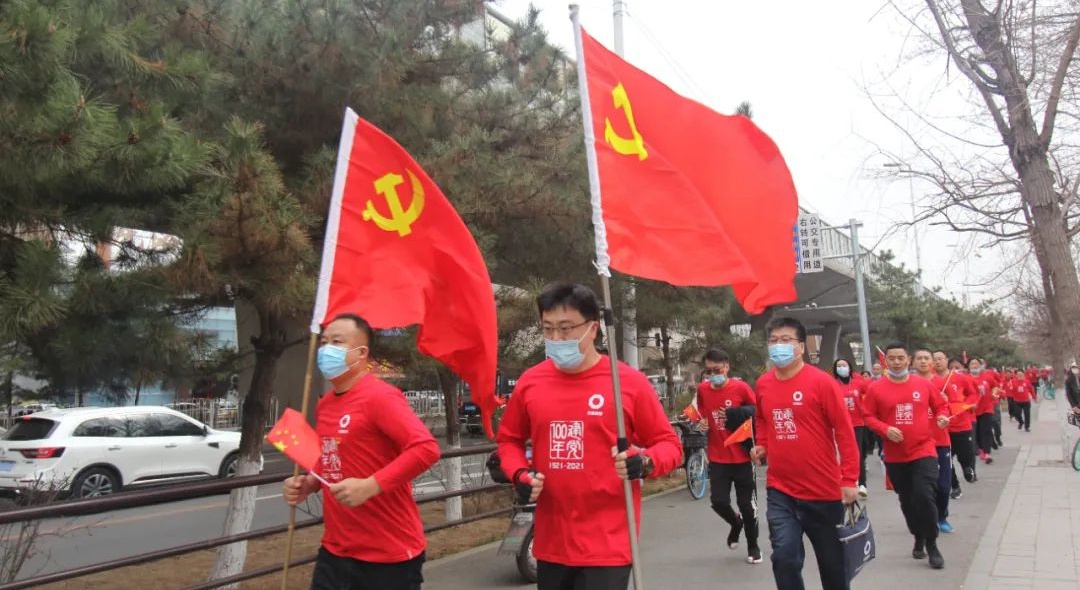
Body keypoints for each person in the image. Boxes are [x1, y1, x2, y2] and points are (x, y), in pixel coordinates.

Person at [496, 282, 682, 590]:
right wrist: (519, 474)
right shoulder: (531, 382)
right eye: (548, 329)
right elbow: (509, 440)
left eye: (566, 329)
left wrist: (645, 462)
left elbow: (670, 445)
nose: (556, 339)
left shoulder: (626, 383)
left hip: (608, 544)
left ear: (593, 328)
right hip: (552, 542)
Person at [282, 313, 442, 590]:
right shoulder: (325, 404)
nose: (326, 349)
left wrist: (370, 485)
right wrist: (310, 482)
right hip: (335, 550)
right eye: (323, 342)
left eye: (337, 342)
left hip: (388, 556)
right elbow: (331, 455)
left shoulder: (380, 397)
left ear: (361, 353)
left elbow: (426, 448)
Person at [751, 317, 859, 590]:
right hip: (781, 490)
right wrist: (763, 444)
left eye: (786, 340)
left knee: (833, 567)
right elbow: (762, 417)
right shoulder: (763, 384)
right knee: (784, 558)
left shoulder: (821, 382)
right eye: (773, 341)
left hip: (823, 491)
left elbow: (844, 431)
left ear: (801, 347)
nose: (778, 346)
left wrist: (849, 478)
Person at [863, 343, 949, 570]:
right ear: (885, 361)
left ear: (908, 359)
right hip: (895, 456)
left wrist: (942, 417)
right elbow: (868, 416)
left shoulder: (923, 384)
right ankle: (918, 535)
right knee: (908, 500)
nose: (897, 362)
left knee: (925, 496)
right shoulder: (876, 388)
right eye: (892, 358)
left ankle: (932, 543)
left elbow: (941, 406)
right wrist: (885, 429)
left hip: (923, 450)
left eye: (901, 358)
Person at [697, 349, 762, 564]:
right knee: (718, 501)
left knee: (747, 506)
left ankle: (753, 546)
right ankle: (736, 524)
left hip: (742, 456)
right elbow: (703, 413)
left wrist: (737, 414)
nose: (712, 375)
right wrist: (702, 423)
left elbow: (757, 411)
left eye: (717, 370)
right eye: (708, 371)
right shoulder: (703, 389)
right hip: (718, 457)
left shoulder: (740, 388)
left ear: (727, 367)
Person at [914, 349, 953, 534]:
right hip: (918, 444)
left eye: (926, 358)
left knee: (944, 485)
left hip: (941, 440)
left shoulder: (943, 382)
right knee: (923, 487)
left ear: (932, 362)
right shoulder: (908, 384)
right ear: (912, 362)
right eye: (919, 358)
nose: (923, 361)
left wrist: (946, 411)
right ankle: (928, 518)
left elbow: (952, 407)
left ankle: (942, 516)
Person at [937, 355, 979, 499]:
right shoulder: (929, 381)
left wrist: (965, 405)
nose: (937, 361)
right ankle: (955, 486)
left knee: (966, 455)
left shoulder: (961, 378)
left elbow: (973, 394)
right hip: (941, 427)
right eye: (934, 359)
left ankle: (968, 468)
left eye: (940, 358)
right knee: (945, 460)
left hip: (961, 425)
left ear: (945, 360)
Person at [832, 358, 869, 497]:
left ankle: (862, 484)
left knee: (857, 453)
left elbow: (870, 394)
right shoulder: (833, 384)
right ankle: (845, 480)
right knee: (843, 454)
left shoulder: (858, 383)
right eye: (839, 366)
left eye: (844, 365)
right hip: (840, 424)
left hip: (858, 423)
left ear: (849, 367)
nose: (842, 368)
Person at [969, 358, 999, 464]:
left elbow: (995, 386)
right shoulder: (966, 379)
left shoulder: (987, 377)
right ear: (968, 366)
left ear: (980, 365)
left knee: (986, 430)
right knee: (977, 431)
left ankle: (987, 453)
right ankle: (981, 449)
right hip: (973, 410)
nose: (974, 365)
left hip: (987, 408)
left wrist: (994, 393)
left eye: (976, 363)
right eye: (972, 364)